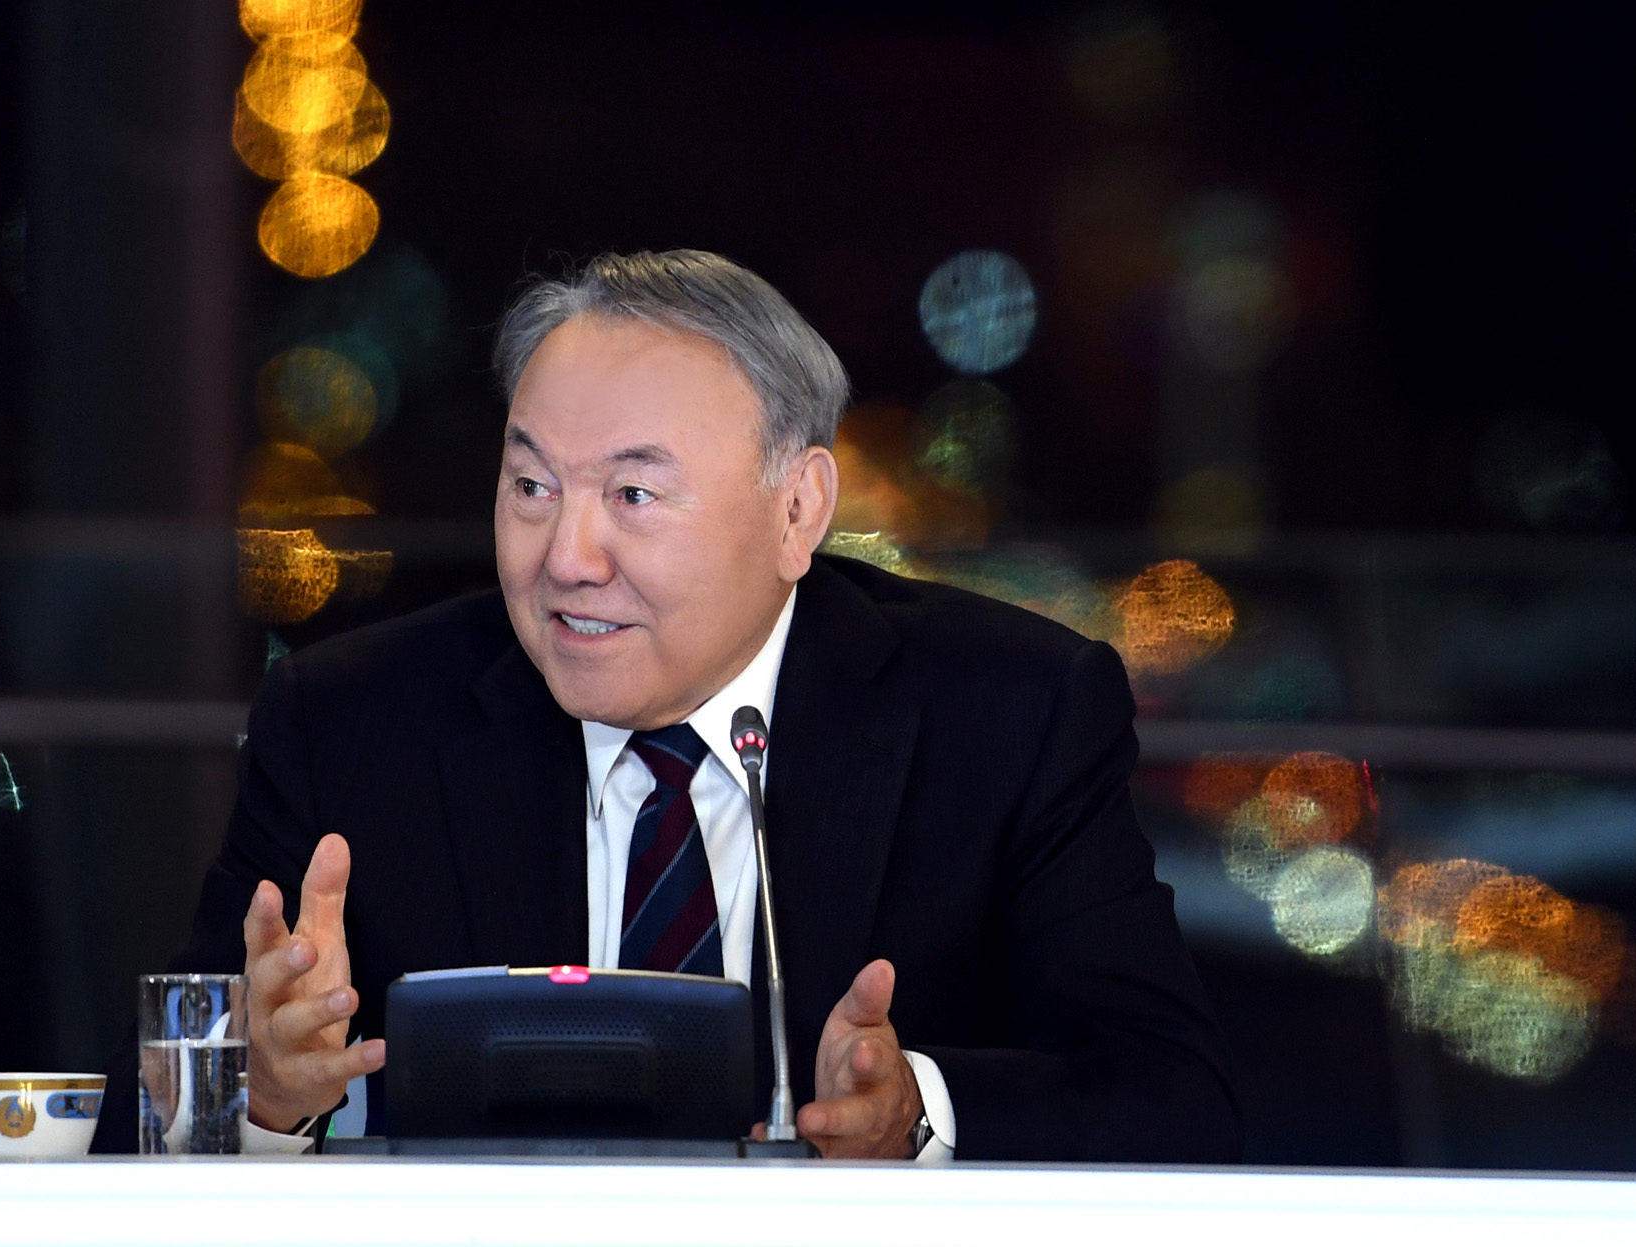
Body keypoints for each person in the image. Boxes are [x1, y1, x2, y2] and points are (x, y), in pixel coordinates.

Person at [97, 249, 1239, 1161]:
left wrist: (917, 1112)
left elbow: (1173, 1096)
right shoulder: (355, 719)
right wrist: (265, 1098)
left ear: (796, 510)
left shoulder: (1009, 711)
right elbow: (148, 1129)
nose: (566, 557)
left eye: (634, 493)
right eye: (531, 486)